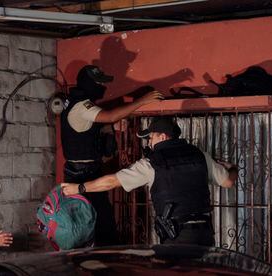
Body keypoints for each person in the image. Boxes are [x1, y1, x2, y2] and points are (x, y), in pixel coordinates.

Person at [62, 117, 237, 246]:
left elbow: (112, 181)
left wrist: (79, 187)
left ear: (162, 136)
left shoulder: (152, 163)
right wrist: (233, 168)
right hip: (205, 234)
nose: (149, 143)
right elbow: (228, 182)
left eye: (150, 137)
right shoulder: (201, 156)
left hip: (176, 237)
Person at [61, 65, 163, 246]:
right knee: (99, 227)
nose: (102, 86)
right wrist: (141, 101)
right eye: (99, 83)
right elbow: (109, 116)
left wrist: (111, 127)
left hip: (82, 170)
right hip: (83, 173)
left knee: (95, 224)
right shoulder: (81, 106)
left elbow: (93, 124)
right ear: (89, 84)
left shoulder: (75, 102)